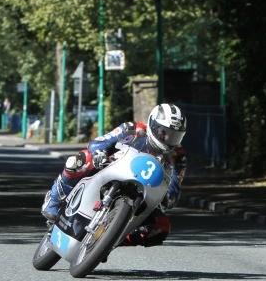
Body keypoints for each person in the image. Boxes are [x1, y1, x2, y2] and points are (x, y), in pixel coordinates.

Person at [41, 103, 187, 247]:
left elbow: (175, 186)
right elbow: (101, 141)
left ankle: (109, 240)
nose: (168, 139)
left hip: (144, 193)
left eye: (175, 136)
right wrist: (99, 152)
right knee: (79, 160)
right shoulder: (133, 129)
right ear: (153, 124)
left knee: (162, 227)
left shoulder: (178, 158)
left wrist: (169, 198)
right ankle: (54, 200)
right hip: (110, 169)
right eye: (165, 132)